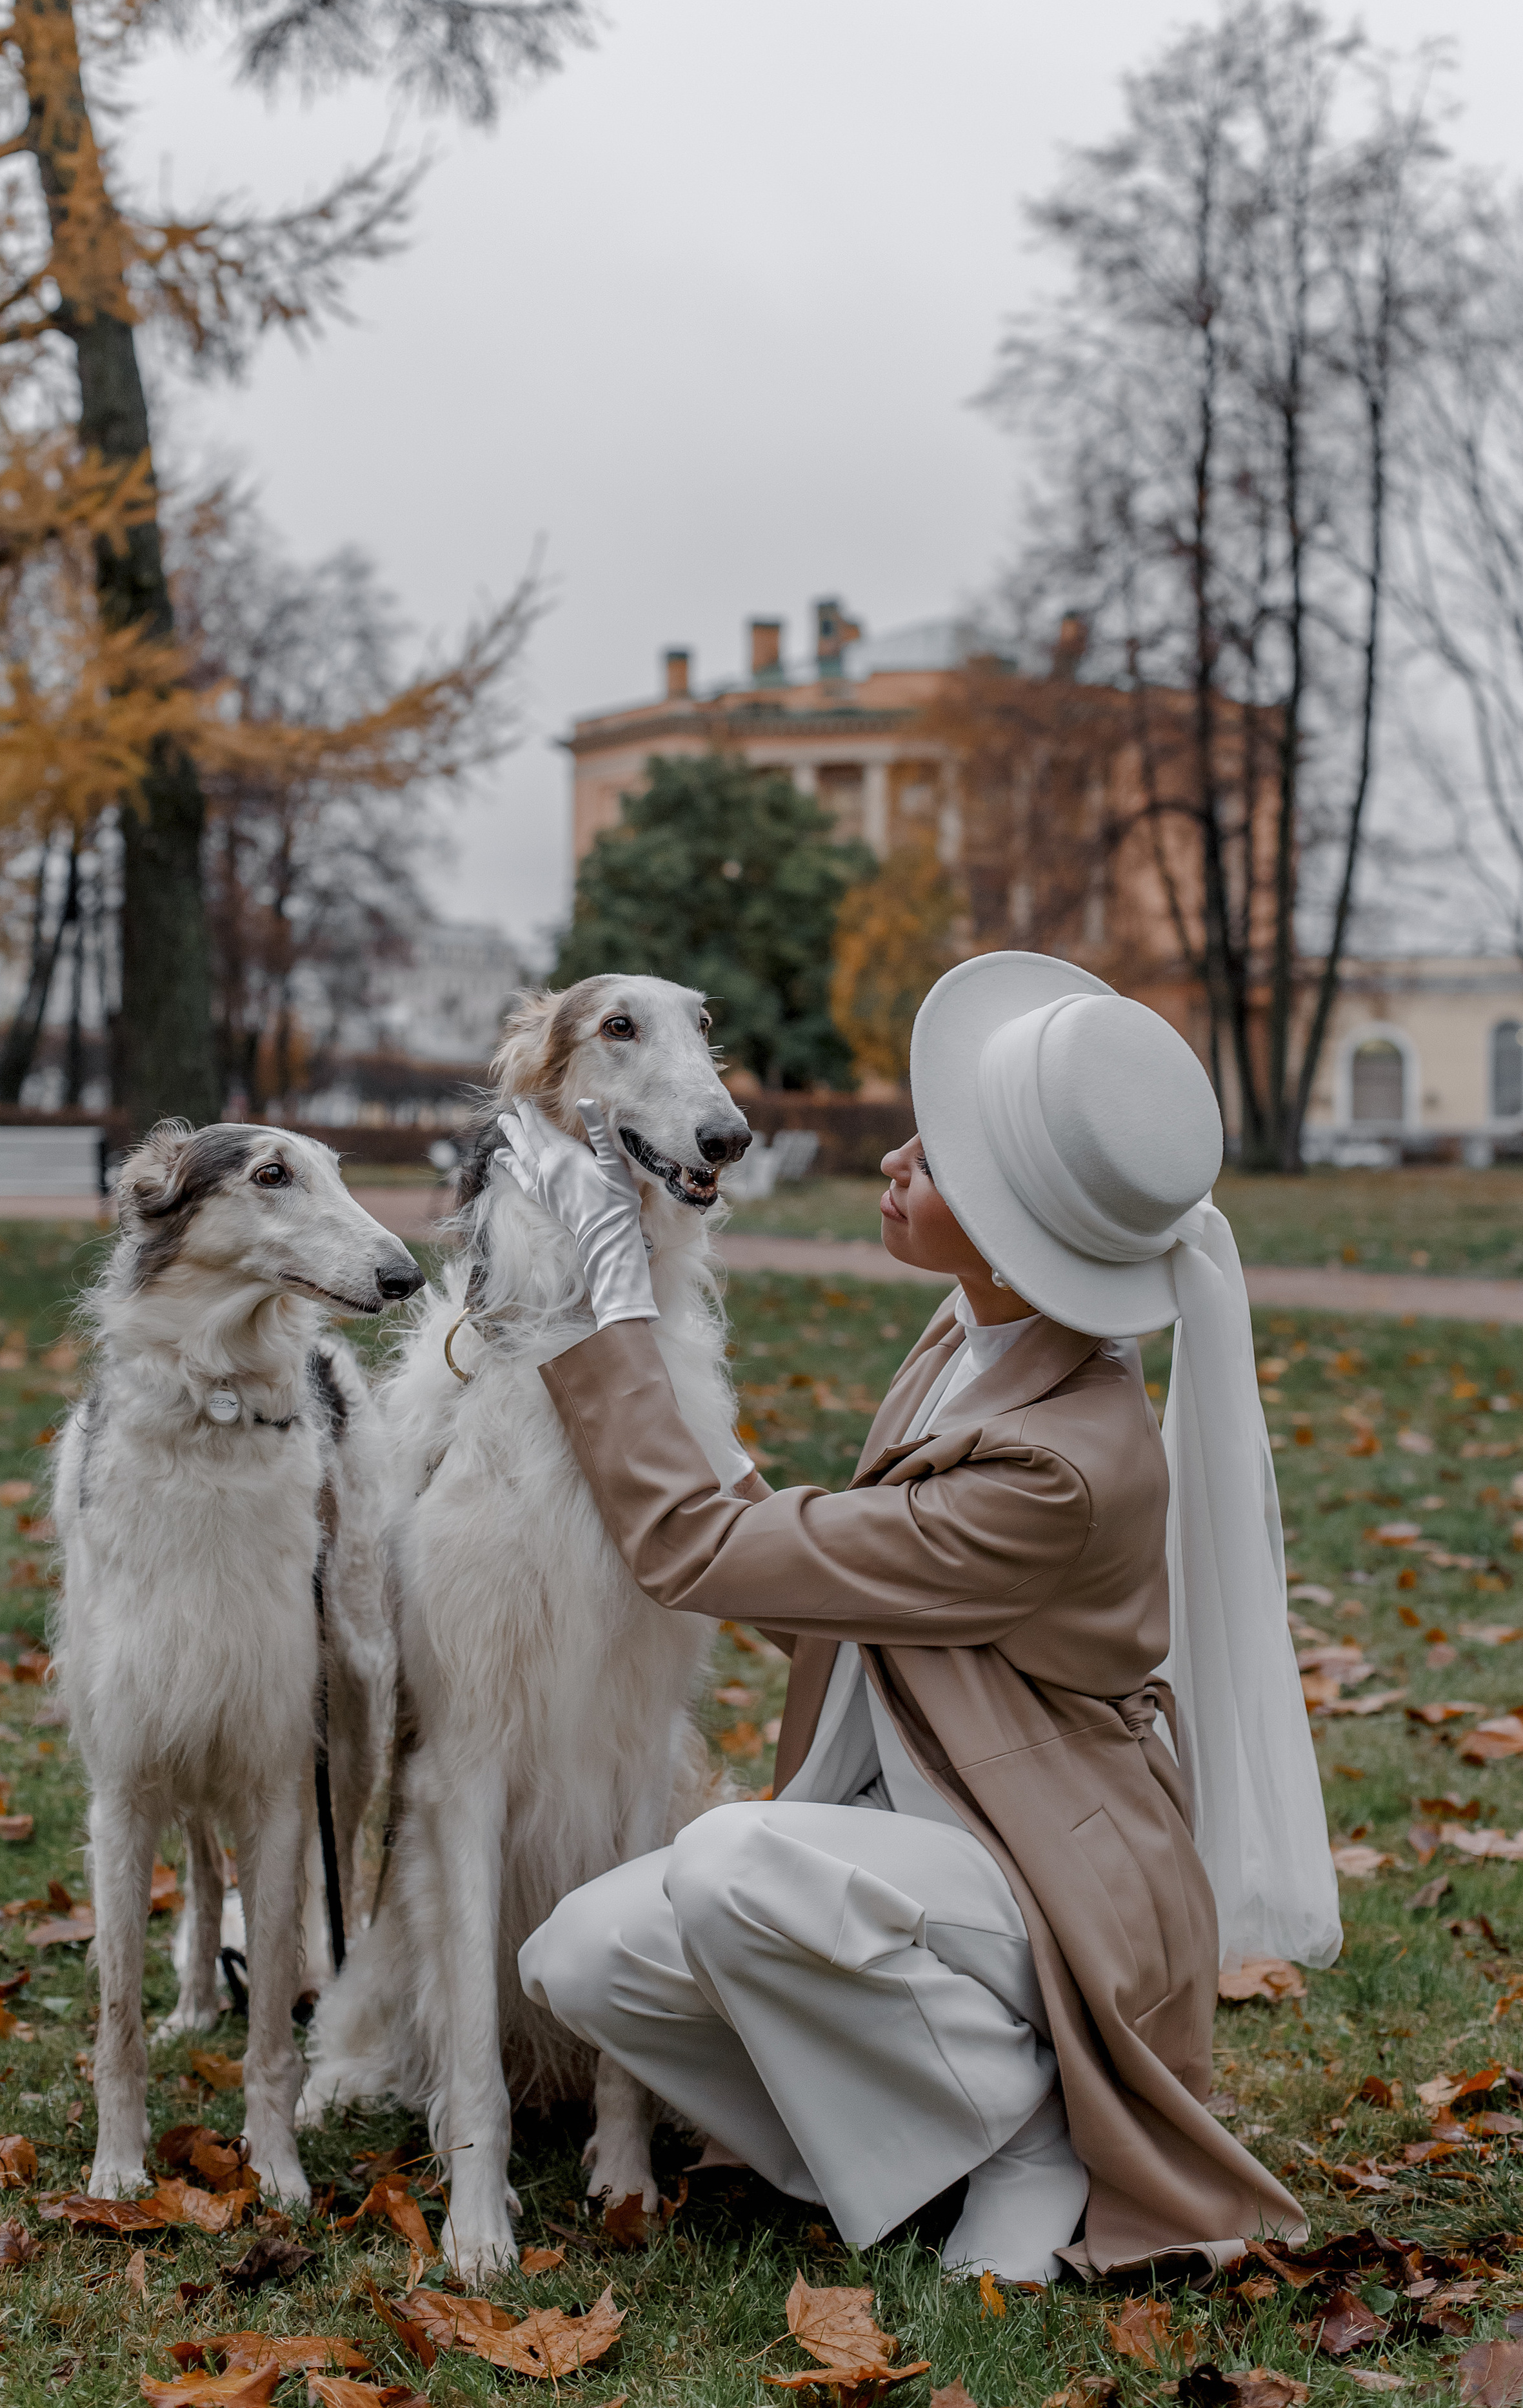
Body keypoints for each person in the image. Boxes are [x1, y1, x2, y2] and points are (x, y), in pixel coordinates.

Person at [501, 951, 1340, 2281]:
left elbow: (691, 1545)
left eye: (932, 1159)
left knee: (730, 1862)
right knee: (585, 1956)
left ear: (1013, 1235)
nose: (890, 1159)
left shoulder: (1060, 1463)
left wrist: (603, 1321)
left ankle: (1023, 2130)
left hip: (1042, 1862)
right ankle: (897, 2141)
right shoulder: (970, 1338)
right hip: (923, 1822)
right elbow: (830, 1580)